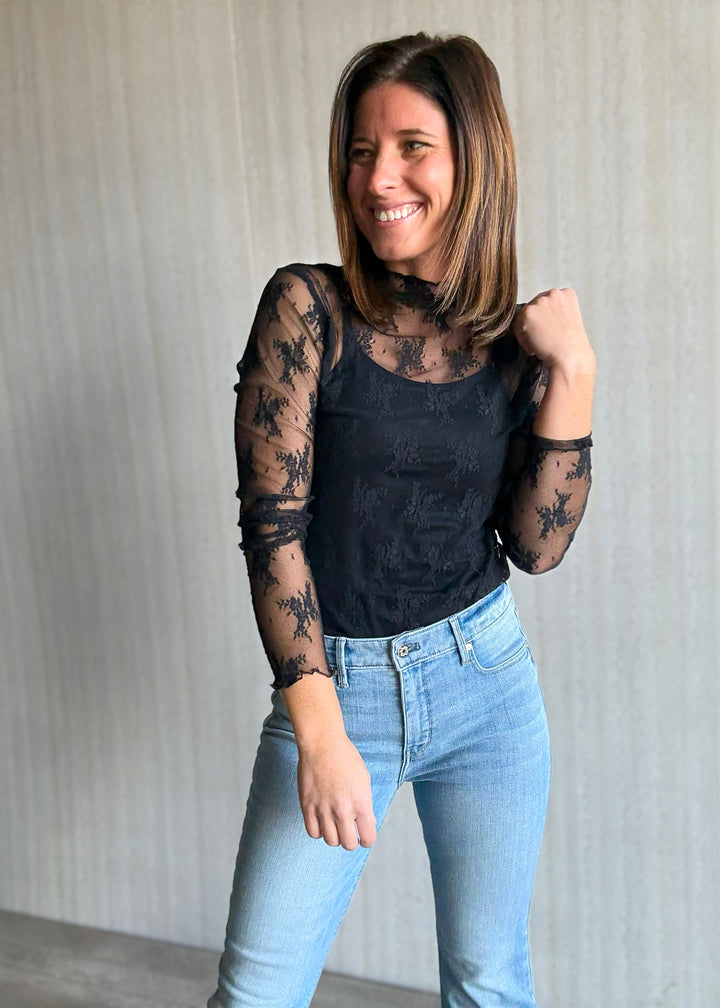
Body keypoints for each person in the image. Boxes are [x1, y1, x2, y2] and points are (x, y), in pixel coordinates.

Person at [207, 31, 595, 1008]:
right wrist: (319, 729)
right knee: (256, 994)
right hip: (337, 689)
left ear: (474, 160)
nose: (379, 176)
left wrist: (575, 374)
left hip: (486, 684)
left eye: (413, 146)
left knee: (489, 981)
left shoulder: (511, 343)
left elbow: (536, 546)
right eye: (361, 149)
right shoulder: (308, 309)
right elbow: (272, 527)